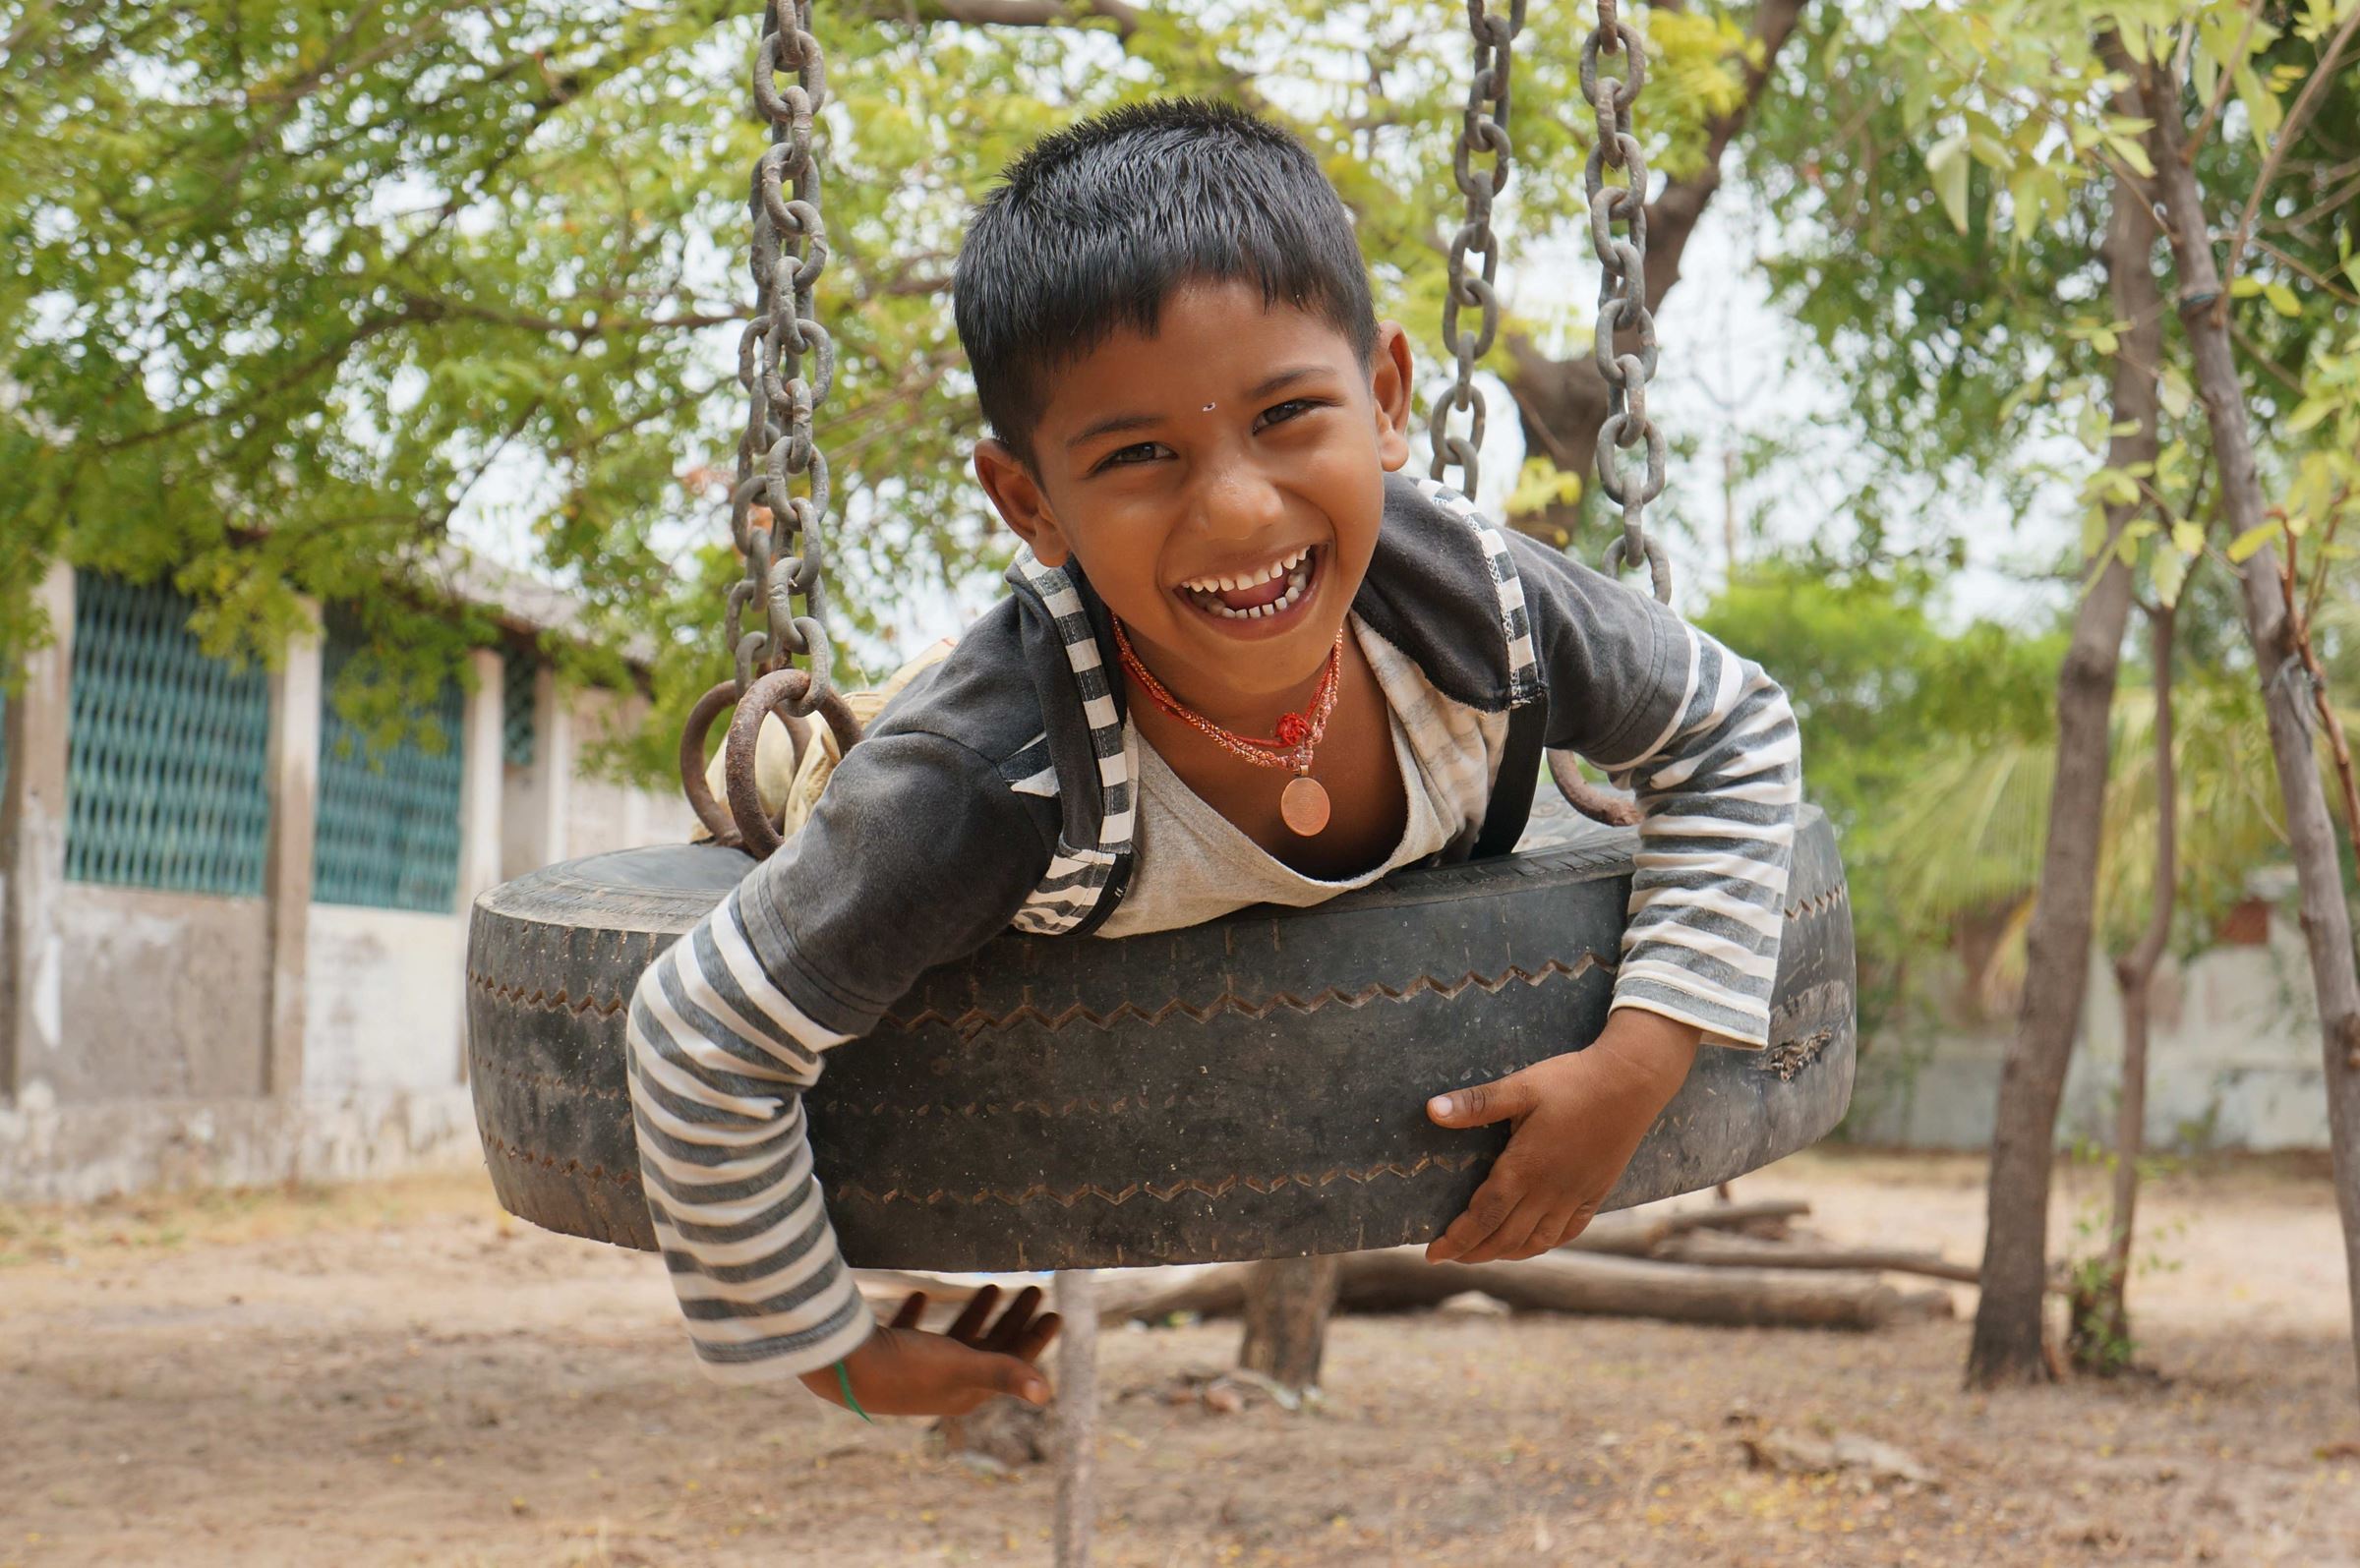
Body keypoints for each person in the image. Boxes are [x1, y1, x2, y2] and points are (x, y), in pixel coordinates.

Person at [624, 98, 1800, 1420]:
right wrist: (836, 1352)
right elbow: (698, 1033)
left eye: (1289, 415)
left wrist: (1641, 1060)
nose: (1239, 509)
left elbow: (1735, 729)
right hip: (907, 760)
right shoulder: (988, 778)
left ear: (1387, 400)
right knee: (827, 791)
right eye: (1139, 455)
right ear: (1030, 504)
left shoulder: (1477, 605)